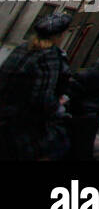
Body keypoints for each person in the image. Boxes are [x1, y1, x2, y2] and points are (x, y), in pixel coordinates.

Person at [0, 12, 73, 160]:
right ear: (59, 36)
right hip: (23, 124)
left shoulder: (22, 48)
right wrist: (59, 105)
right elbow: (42, 98)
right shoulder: (50, 55)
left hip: (5, 116)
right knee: (61, 145)